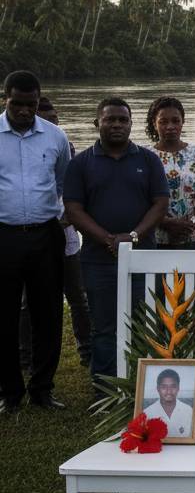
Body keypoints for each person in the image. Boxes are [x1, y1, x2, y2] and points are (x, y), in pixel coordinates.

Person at [63, 98, 169, 392]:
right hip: (98, 260)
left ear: (131, 124)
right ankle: (106, 391)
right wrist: (108, 239)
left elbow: (160, 204)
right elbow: (73, 209)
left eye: (123, 120)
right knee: (105, 328)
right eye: (110, 120)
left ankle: (145, 390)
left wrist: (133, 236)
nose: (117, 125)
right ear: (98, 123)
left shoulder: (148, 160)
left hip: (143, 258)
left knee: (146, 324)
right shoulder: (81, 163)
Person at [0, 71, 72, 412]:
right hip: (4, 236)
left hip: (45, 235)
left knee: (48, 314)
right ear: (5, 99)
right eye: (18, 103)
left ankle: (42, 388)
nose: (25, 111)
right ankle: (10, 393)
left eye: (31, 104)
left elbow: (62, 184)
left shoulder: (55, 137)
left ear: (39, 100)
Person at [18, 96, 91, 373]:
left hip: (67, 238)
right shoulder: (22, 149)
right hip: (33, 237)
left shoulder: (67, 148)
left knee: (78, 297)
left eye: (55, 121)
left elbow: (75, 192)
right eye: (47, 122)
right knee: (27, 302)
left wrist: (68, 217)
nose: (52, 127)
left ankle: (87, 352)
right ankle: (25, 358)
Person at [146, 96, 195, 250]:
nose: (170, 126)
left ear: (183, 122)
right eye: (163, 121)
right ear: (154, 124)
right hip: (156, 238)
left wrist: (191, 222)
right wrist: (166, 223)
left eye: (175, 121)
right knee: (157, 275)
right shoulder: (145, 156)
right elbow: (138, 196)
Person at [143, 367, 194, 438]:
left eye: (173, 387)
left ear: (178, 388)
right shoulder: (147, 413)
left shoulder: (189, 411)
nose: (169, 391)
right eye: (164, 387)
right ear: (158, 389)